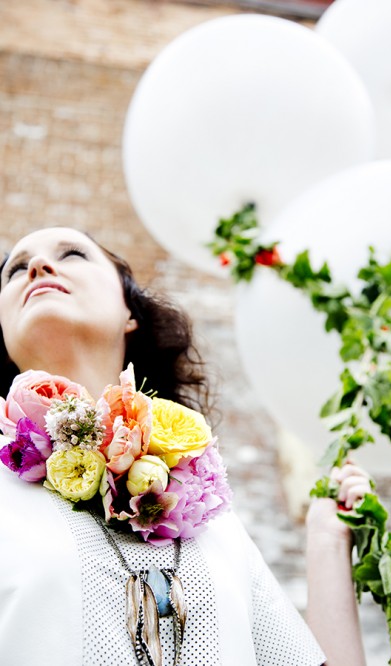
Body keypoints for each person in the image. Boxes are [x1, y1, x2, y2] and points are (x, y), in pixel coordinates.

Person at [0, 226, 370, 666]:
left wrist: (326, 539)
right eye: (16, 269)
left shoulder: (211, 520)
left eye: (73, 254)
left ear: (128, 311)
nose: (38, 267)